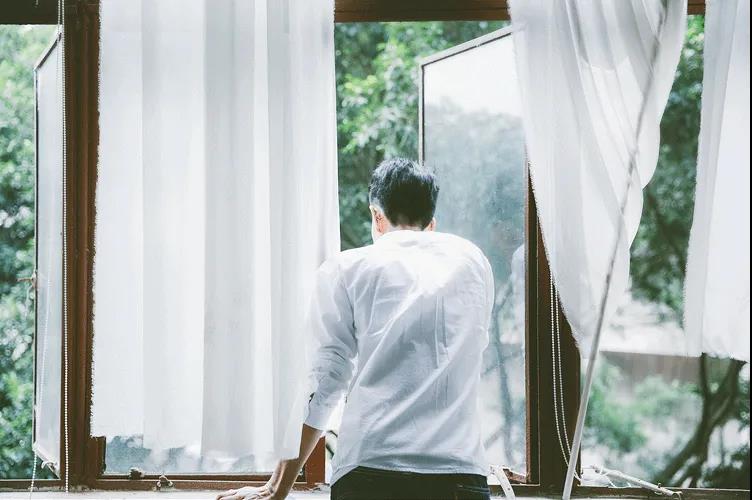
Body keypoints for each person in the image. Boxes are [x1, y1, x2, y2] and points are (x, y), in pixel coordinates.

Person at [217, 158, 494, 500]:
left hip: (371, 472)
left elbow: (327, 381)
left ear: (377, 216)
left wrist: (276, 488)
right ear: (431, 223)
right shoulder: (473, 262)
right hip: (460, 475)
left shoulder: (347, 268)